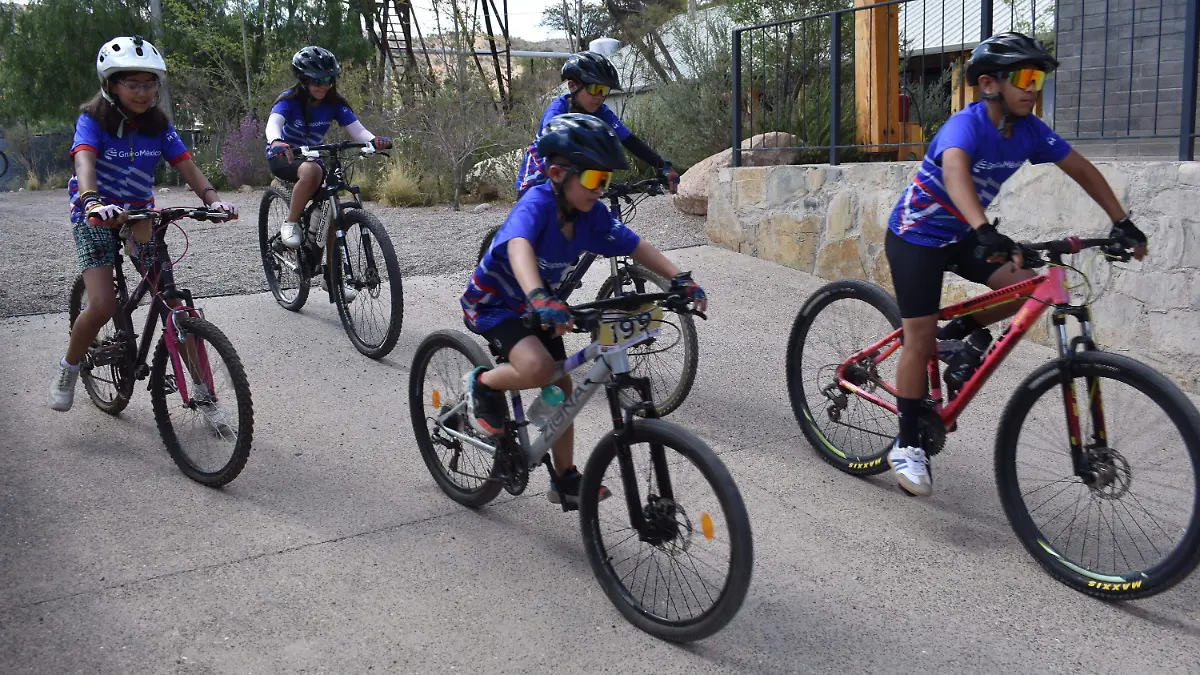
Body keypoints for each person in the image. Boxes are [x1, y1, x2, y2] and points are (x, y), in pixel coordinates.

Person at [884, 32, 1148, 497]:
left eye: (1039, 78)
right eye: (1025, 77)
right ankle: (907, 444)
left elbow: (1082, 169)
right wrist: (984, 229)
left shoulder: (1029, 131)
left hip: (966, 234)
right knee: (917, 335)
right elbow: (955, 173)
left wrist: (1122, 221)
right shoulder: (965, 126)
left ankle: (958, 333)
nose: (1033, 87)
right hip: (917, 236)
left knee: (1030, 288)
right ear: (989, 83)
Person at [462, 114, 708, 510]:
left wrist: (680, 279)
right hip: (496, 304)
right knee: (541, 368)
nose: (601, 190)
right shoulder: (537, 202)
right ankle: (485, 384)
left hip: (542, 308)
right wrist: (540, 296)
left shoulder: (589, 214)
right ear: (558, 173)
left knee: (561, 387)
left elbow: (634, 245)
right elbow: (518, 247)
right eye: (594, 179)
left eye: (606, 181)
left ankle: (564, 478)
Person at [51, 35, 239, 420]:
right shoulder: (92, 120)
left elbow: (186, 165)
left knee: (173, 303)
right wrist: (91, 201)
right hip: (95, 213)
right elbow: (84, 162)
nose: (142, 92)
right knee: (102, 303)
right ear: (111, 85)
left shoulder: (158, 125)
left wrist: (212, 200)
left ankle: (204, 395)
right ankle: (69, 369)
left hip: (139, 215)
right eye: (132, 84)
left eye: (149, 83)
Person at [264, 46, 391, 301]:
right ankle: (291, 223)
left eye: (328, 80)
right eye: (316, 80)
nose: (323, 85)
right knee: (311, 171)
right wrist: (277, 140)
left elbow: (358, 131)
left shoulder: (335, 103)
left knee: (334, 212)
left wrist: (374, 141)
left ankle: (332, 278)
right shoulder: (289, 100)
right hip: (285, 156)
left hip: (314, 155)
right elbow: (273, 123)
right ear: (303, 79)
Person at [514, 51, 679, 197]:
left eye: (604, 90)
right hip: (537, 181)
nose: (599, 96)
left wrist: (662, 166)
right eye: (594, 88)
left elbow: (630, 141)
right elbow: (556, 151)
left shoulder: (600, 111)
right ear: (572, 86)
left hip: (573, 178)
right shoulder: (557, 112)